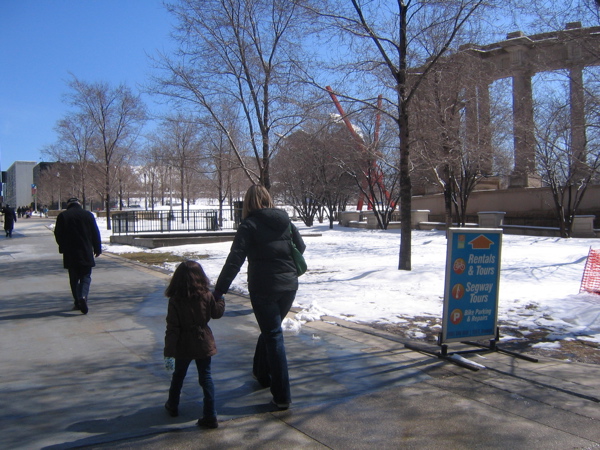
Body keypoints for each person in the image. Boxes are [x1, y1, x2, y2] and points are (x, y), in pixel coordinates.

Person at [213, 185, 306, 410]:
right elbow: (301, 247)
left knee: (273, 334)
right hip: (289, 286)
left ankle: (282, 395)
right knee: (271, 330)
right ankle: (261, 373)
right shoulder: (285, 220)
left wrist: (218, 291)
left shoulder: (249, 225)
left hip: (263, 287)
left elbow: (235, 260)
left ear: (248, 203)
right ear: (267, 199)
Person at [164, 260, 225, 429]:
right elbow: (216, 313)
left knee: (179, 375)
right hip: (203, 340)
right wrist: (221, 300)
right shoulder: (206, 295)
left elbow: (172, 328)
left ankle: (173, 404)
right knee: (206, 377)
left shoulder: (176, 300)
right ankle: (210, 414)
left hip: (183, 343)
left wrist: (169, 351)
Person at [54, 197, 102, 314]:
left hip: (70, 252)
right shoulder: (88, 215)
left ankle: (77, 301)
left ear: (68, 204)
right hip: (85, 251)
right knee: (86, 276)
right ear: (79, 204)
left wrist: (62, 247)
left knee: (74, 278)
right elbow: (95, 232)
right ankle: (83, 295)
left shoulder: (63, 216)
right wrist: (97, 248)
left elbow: (58, 234)